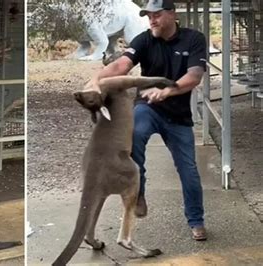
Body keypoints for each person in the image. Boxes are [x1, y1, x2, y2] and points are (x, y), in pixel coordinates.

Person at [85, 0, 207, 241]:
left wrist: (169, 91)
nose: (152, 20)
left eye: (157, 15)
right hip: (148, 107)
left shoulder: (194, 39)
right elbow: (122, 65)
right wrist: (96, 78)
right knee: (135, 134)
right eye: (148, 15)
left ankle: (196, 220)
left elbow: (194, 76)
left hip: (178, 115)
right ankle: (138, 193)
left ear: (172, 14)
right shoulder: (144, 39)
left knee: (189, 171)